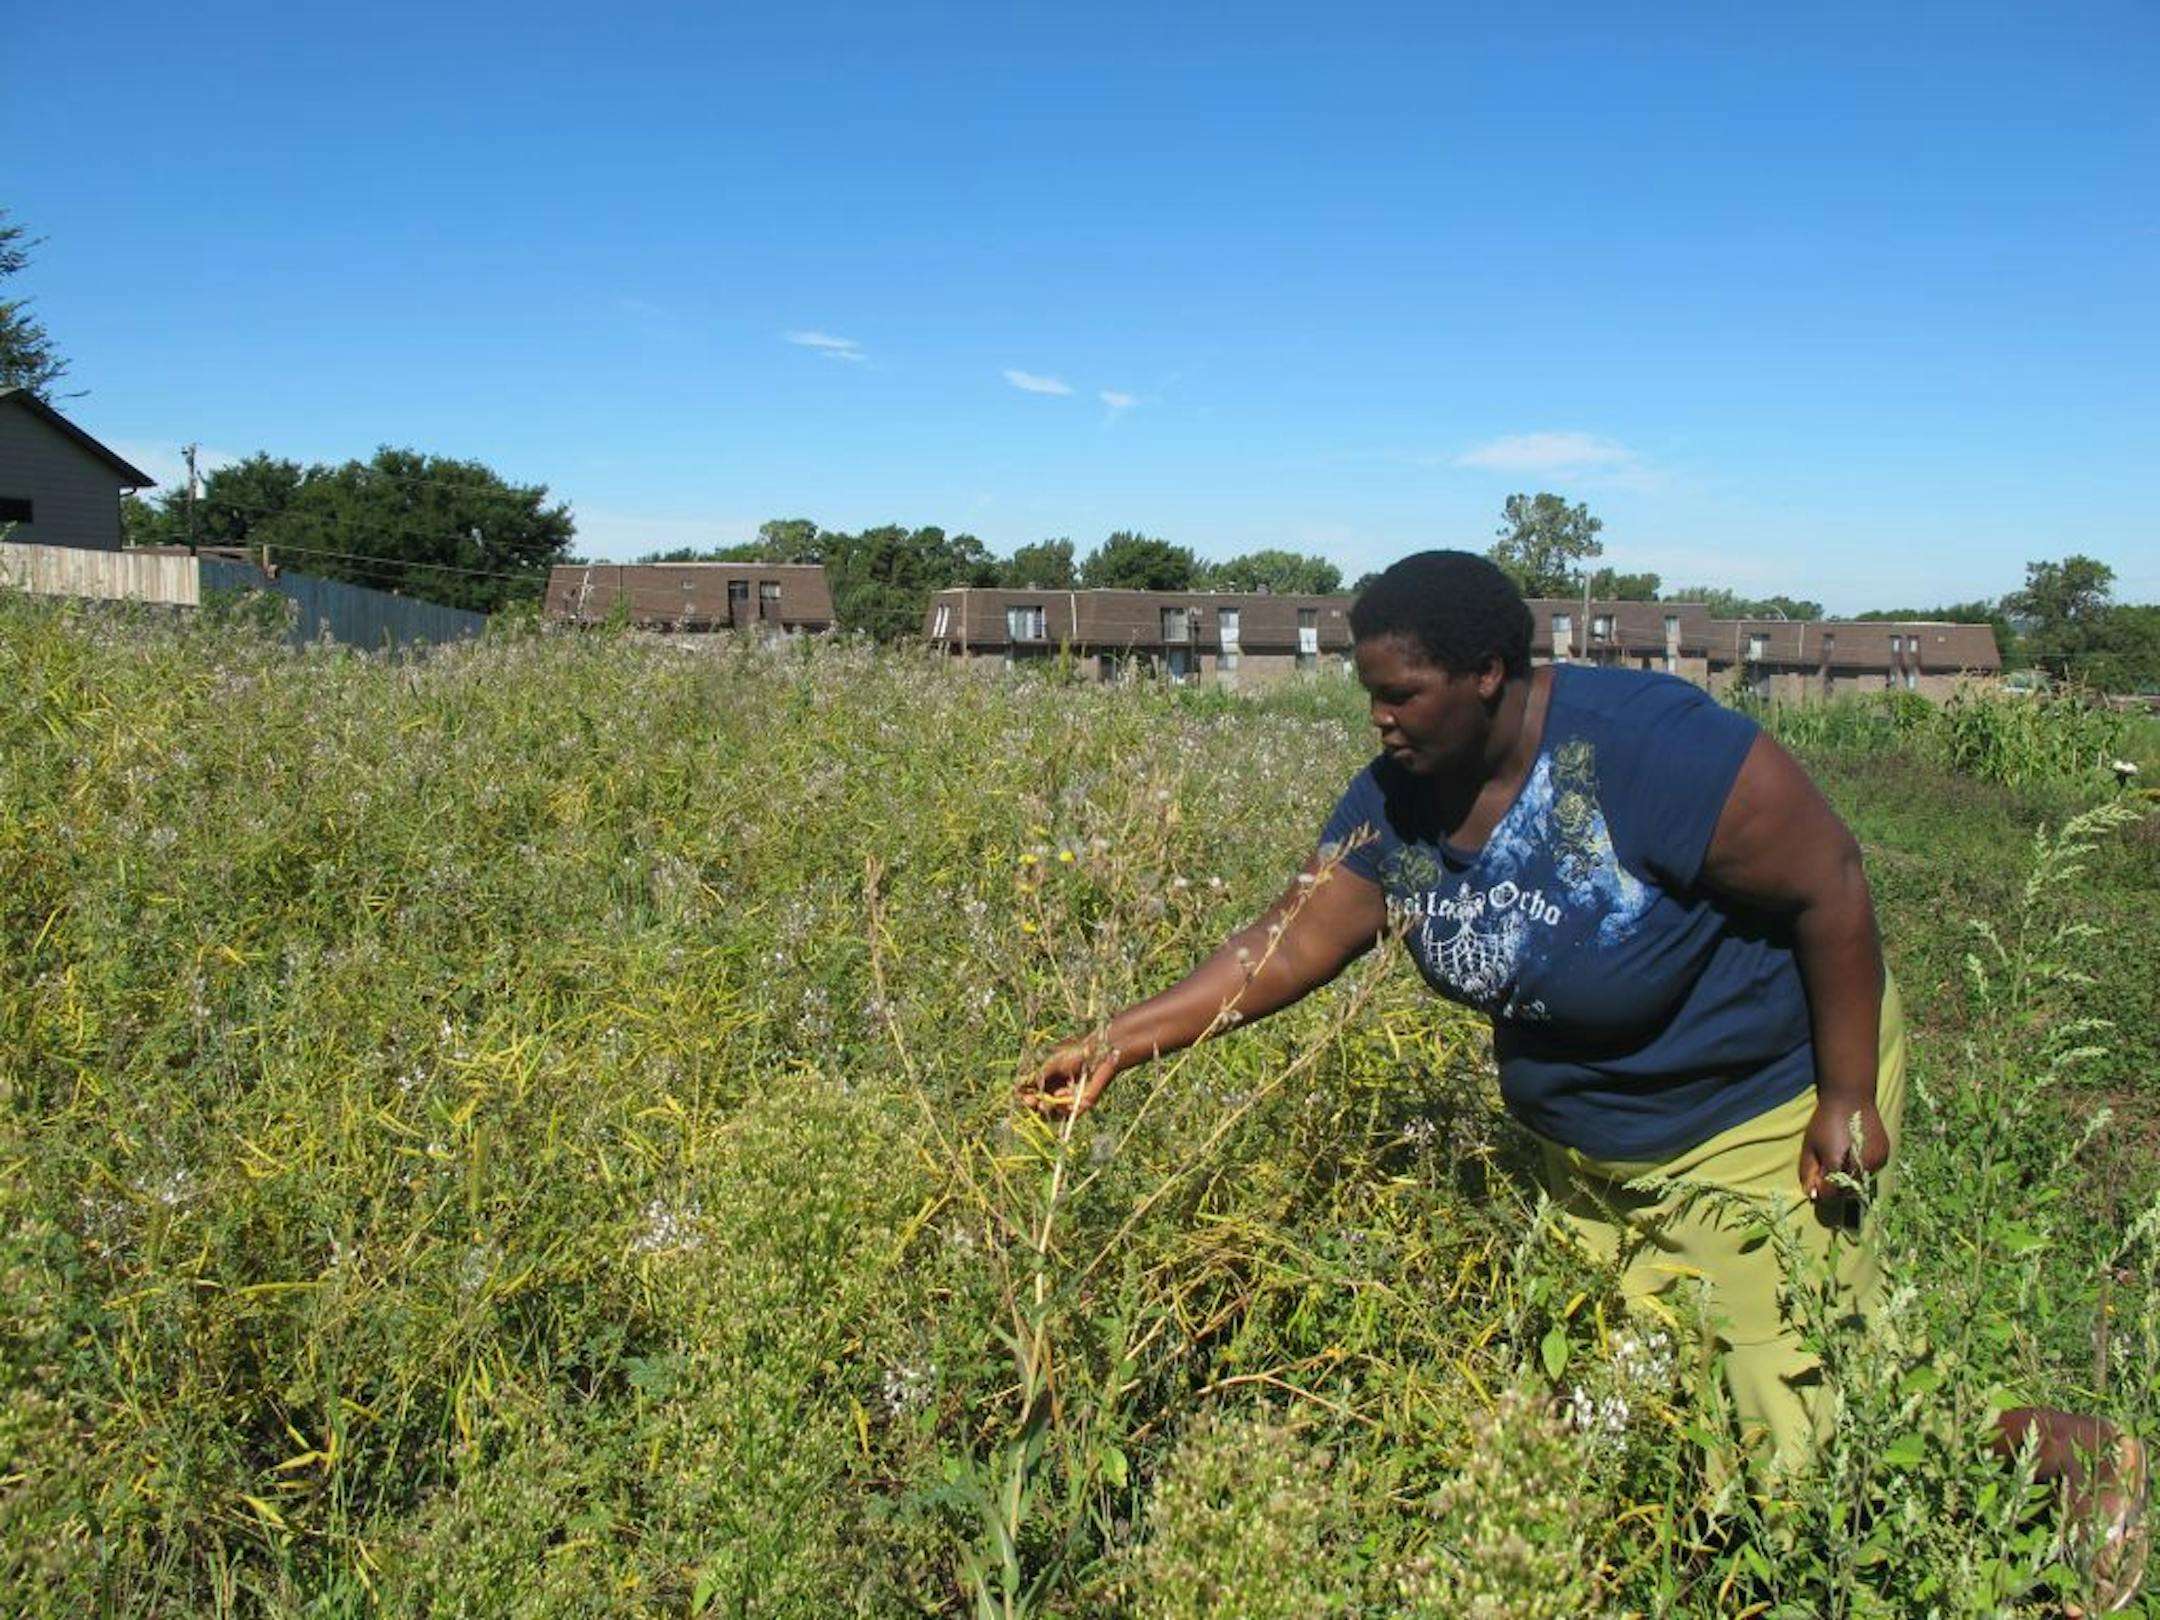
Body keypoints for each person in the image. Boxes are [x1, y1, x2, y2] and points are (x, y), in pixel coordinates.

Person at [1020, 550, 2147, 1609]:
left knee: (1805, 1426)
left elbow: (1832, 883)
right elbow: (1294, 938)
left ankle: (2070, 1456)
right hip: (1594, 1153)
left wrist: (1846, 1095)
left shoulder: (1649, 753)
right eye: (1369, 690)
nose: (1378, 716)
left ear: (1489, 675)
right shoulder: (1401, 804)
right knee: (1650, 1404)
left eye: (1401, 692)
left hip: (1762, 1106)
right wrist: (1120, 1040)